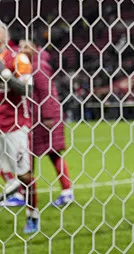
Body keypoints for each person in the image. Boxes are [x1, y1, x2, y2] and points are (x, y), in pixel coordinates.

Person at [19, 40, 75, 207]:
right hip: (38, 117)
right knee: (35, 154)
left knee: (47, 153)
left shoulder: (38, 66)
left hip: (45, 118)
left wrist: (48, 116)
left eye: (24, 46)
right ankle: (26, 192)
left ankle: (64, 192)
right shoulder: (33, 64)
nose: (21, 50)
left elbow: (47, 91)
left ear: (33, 47)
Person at [0, 22, 39, 234]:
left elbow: (28, 90)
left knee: (25, 175)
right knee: (5, 170)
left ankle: (32, 214)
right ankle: (12, 188)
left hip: (16, 125)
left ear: (5, 35)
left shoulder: (18, 58)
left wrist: (6, 74)